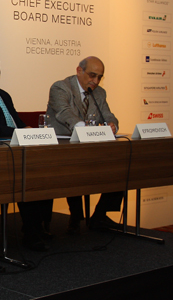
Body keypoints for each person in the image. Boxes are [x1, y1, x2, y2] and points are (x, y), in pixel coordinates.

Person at [0, 50, 52, 252]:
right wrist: (20, 131)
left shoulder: (3, 94)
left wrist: (27, 130)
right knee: (26, 175)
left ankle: (40, 227)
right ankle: (31, 232)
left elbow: (17, 122)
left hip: (15, 146)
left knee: (44, 171)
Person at [46, 56, 122, 233]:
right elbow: (64, 113)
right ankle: (76, 214)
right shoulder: (61, 87)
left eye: (99, 77)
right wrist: (83, 128)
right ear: (79, 71)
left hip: (87, 146)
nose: (95, 81)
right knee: (75, 163)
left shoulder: (99, 92)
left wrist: (113, 124)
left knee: (121, 165)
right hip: (61, 145)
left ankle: (100, 215)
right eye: (92, 75)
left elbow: (108, 114)